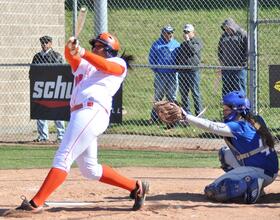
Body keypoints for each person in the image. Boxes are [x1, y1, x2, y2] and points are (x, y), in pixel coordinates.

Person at [7, 33, 149, 214]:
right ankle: (136, 187)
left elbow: (105, 65)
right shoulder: (85, 64)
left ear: (108, 50)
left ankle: (35, 203)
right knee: (90, 170)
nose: (94, 48)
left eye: (98, 46)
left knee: (63, 156)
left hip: (92, 111)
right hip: (79, 114)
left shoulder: (118, 64)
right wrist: (70, 45)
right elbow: (71, 58)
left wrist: (82, 51)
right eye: (94, 45)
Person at [178, 91, 278, 203]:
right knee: (224, 154)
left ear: (237, 110)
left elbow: (212, 127)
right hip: (269, 169)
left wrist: (187, 117)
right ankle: (254, 185)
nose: (224, 112)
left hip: (259, 171)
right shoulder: (255, 120)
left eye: (227, 109)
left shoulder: (239, 126)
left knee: (212, 190)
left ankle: (251, 181)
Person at [32, 35, 65, 143]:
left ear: (51, 43)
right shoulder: (37, 57)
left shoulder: (57, 56)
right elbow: (32, 72)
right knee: (40, 112)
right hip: (40, 87)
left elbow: (62, 72)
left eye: (46, 42)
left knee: (57, 111)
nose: (44, 44)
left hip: (54, 87)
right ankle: (43, 136)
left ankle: (61, 136)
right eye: (43, 42)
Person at [148, 24, 180, 124]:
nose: (170, 34)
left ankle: (172, 119)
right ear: (163, 33)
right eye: (167, 33)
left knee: (172, 97)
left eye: (171, 32)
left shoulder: (176, 44)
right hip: (161, 75)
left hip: (173, 75)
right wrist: (156, 70)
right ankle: (154, 118)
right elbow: (151, 59)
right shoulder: (157, 44)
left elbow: (180, 58)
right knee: (158, 97)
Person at [174, 24, 203, 116]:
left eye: (188, 32)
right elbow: (179, 57)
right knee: (184, 94)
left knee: (195, 93)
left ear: (193, 32)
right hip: (183, 72)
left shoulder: (197, 42)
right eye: (185, 32)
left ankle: (199, 114)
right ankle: (187, 115)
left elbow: (193, 50)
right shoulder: (182, 44)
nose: (186, 33)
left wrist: (187, 41)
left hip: (193, 72)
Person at [218, 18, 248, 96]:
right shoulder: (224, 36)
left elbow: (248, 50)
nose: (226, 31)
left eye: (228, 29)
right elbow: (220, 49)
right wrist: (221, 60)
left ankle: (241, 106)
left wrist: (243, 62)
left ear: (232, 27)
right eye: (225, 29)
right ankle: (227, 106)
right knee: (226, 88)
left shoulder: (242, 34)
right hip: (226, 67)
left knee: (239, 87)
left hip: (239, 67)